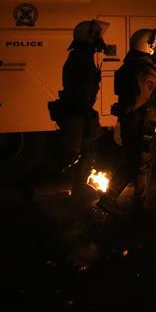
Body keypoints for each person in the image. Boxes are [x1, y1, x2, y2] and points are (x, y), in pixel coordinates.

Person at [97, 28, 156, 216]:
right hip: (141, 122)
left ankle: (133, 204)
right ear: (146, 45)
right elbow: (139, 99)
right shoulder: (144, 69)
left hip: (135, 121)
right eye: (154, 45)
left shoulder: (131, 65)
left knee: (136, 162)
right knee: (139, 163)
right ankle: (121, 202)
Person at [50, 19, 109, 199]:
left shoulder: (83, 55)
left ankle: (80, 187)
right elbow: (80, 88)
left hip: (81, 110)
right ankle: (30, 181)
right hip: (76, 111)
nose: (101, 38)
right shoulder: (81, 57)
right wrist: (85, 109)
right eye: (98, 34)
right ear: (89, 37)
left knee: (87, 151)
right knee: (70, 154)